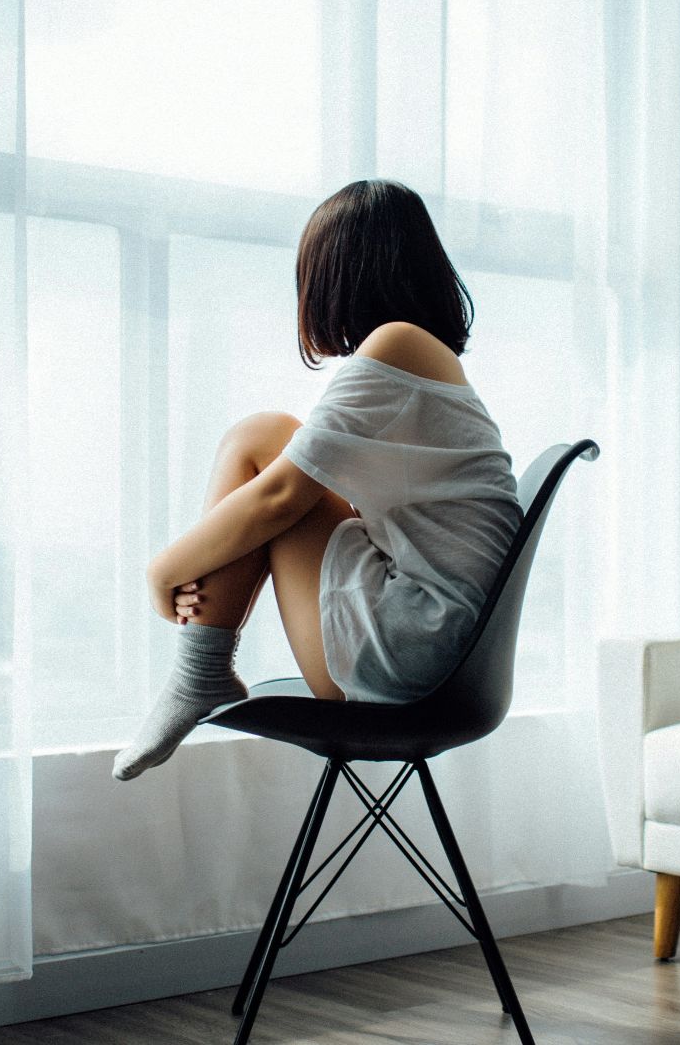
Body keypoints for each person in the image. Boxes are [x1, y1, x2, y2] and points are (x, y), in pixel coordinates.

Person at [113, 179, 522, 781]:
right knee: (270, 438)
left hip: (412, 656)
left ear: (338, 275)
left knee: (259, 441)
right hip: (440, 651)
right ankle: (199, 671)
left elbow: (281, 498)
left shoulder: (398, 345)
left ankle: (198, 672)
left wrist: (162, 570)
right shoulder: (425, 358)